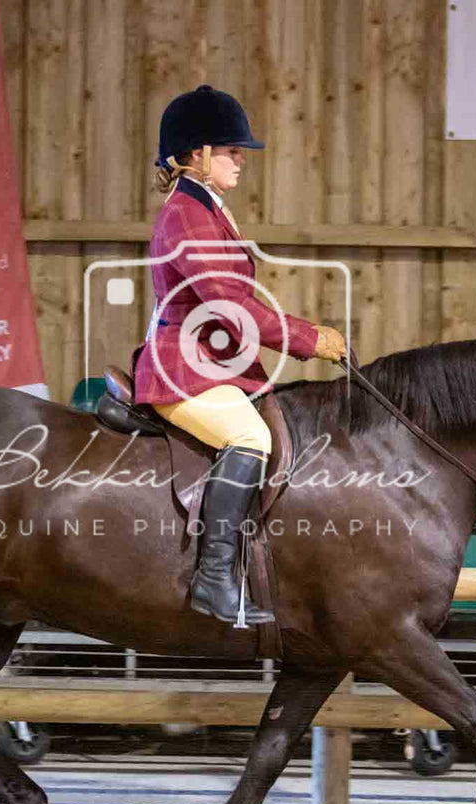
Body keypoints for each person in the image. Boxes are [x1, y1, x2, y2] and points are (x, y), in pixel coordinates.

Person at [130, 85, 347, 627]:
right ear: (197, 154)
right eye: (230, 150)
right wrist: (309, 340)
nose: (240, 160)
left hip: (211, 363)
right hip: (182, 368)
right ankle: (213, 580)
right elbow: (231, 307)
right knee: (250, 437)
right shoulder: (187, 214)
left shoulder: (205, 210)